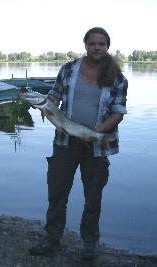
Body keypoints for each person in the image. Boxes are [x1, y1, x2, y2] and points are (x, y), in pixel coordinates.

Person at [28, 27, 128, 261]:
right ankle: (51, 238)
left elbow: (118, 113)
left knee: (93, 196)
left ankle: (90, 243)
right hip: (65, 141)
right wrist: (44, 103)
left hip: (97, 144)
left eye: (101, 44)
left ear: (107, 46)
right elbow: (56, 95)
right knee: (57, 192)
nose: (96, 47)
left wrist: (94, 133)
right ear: (85, 45)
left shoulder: (117, 78)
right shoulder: (69, 69)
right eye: (92, 43)